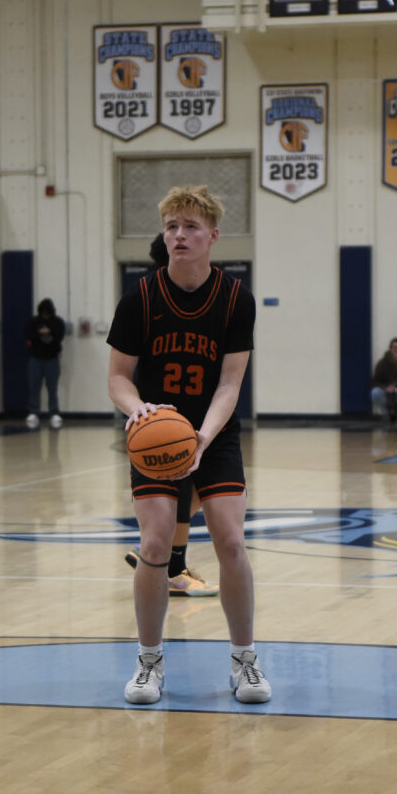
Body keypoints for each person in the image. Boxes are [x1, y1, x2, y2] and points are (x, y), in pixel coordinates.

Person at [107, 184, 271, 705]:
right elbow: (117, 378)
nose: (179, 235)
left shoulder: (235, 299)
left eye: (190, 227)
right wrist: (140, 411)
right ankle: (149, 662)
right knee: (155, 544)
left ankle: (245, 661)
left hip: (213, 432)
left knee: (230, 541)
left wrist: (203, 436)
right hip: (156, 435)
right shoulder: (140, 298)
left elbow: (230, 382)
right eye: (172, 226)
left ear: (213, 237)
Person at [124, 232, 218, 598]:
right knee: (183, 489)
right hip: (163, 418)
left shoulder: (198, 292)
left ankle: (163, 558)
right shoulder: (148, 298)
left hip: (186, 417)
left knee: (194, 491)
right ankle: (172, 567)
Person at [25, 298, 66, 429]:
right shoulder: (34, 322)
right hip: (36, 358)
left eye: (47, 313)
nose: (45, 316)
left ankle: (53, 412)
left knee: (52, 387)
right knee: (34, 386)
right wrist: (39, 334)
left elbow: (58, 337)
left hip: (52, 359)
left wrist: (49, 333)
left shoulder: (57, 322)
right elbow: (28, 335)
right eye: (43, 314)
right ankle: (33, 412)